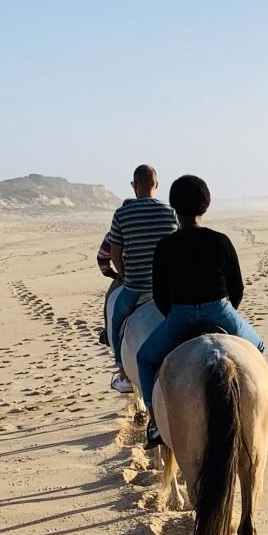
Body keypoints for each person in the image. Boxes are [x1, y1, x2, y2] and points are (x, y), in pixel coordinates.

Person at [137, 174, 265, 447]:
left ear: (174, 207)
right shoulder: (221, 240)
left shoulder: (165, 246)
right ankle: (259, 411)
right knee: (259, 348)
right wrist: (225, 316)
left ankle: (156, 423)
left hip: (180, 316)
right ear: (205, 206)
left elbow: (160, 296)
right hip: (220, 311)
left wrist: (176, 317)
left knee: (145, 359)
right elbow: (237, 288)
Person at [101, 165, 177, 392]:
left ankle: (123, 375)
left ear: (134, 186)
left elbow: (114, 254)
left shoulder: (122, 214)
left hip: (136, 288)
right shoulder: (170, 211)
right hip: (167, 289)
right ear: (157, 184)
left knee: (115, 322)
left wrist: (126, 276)